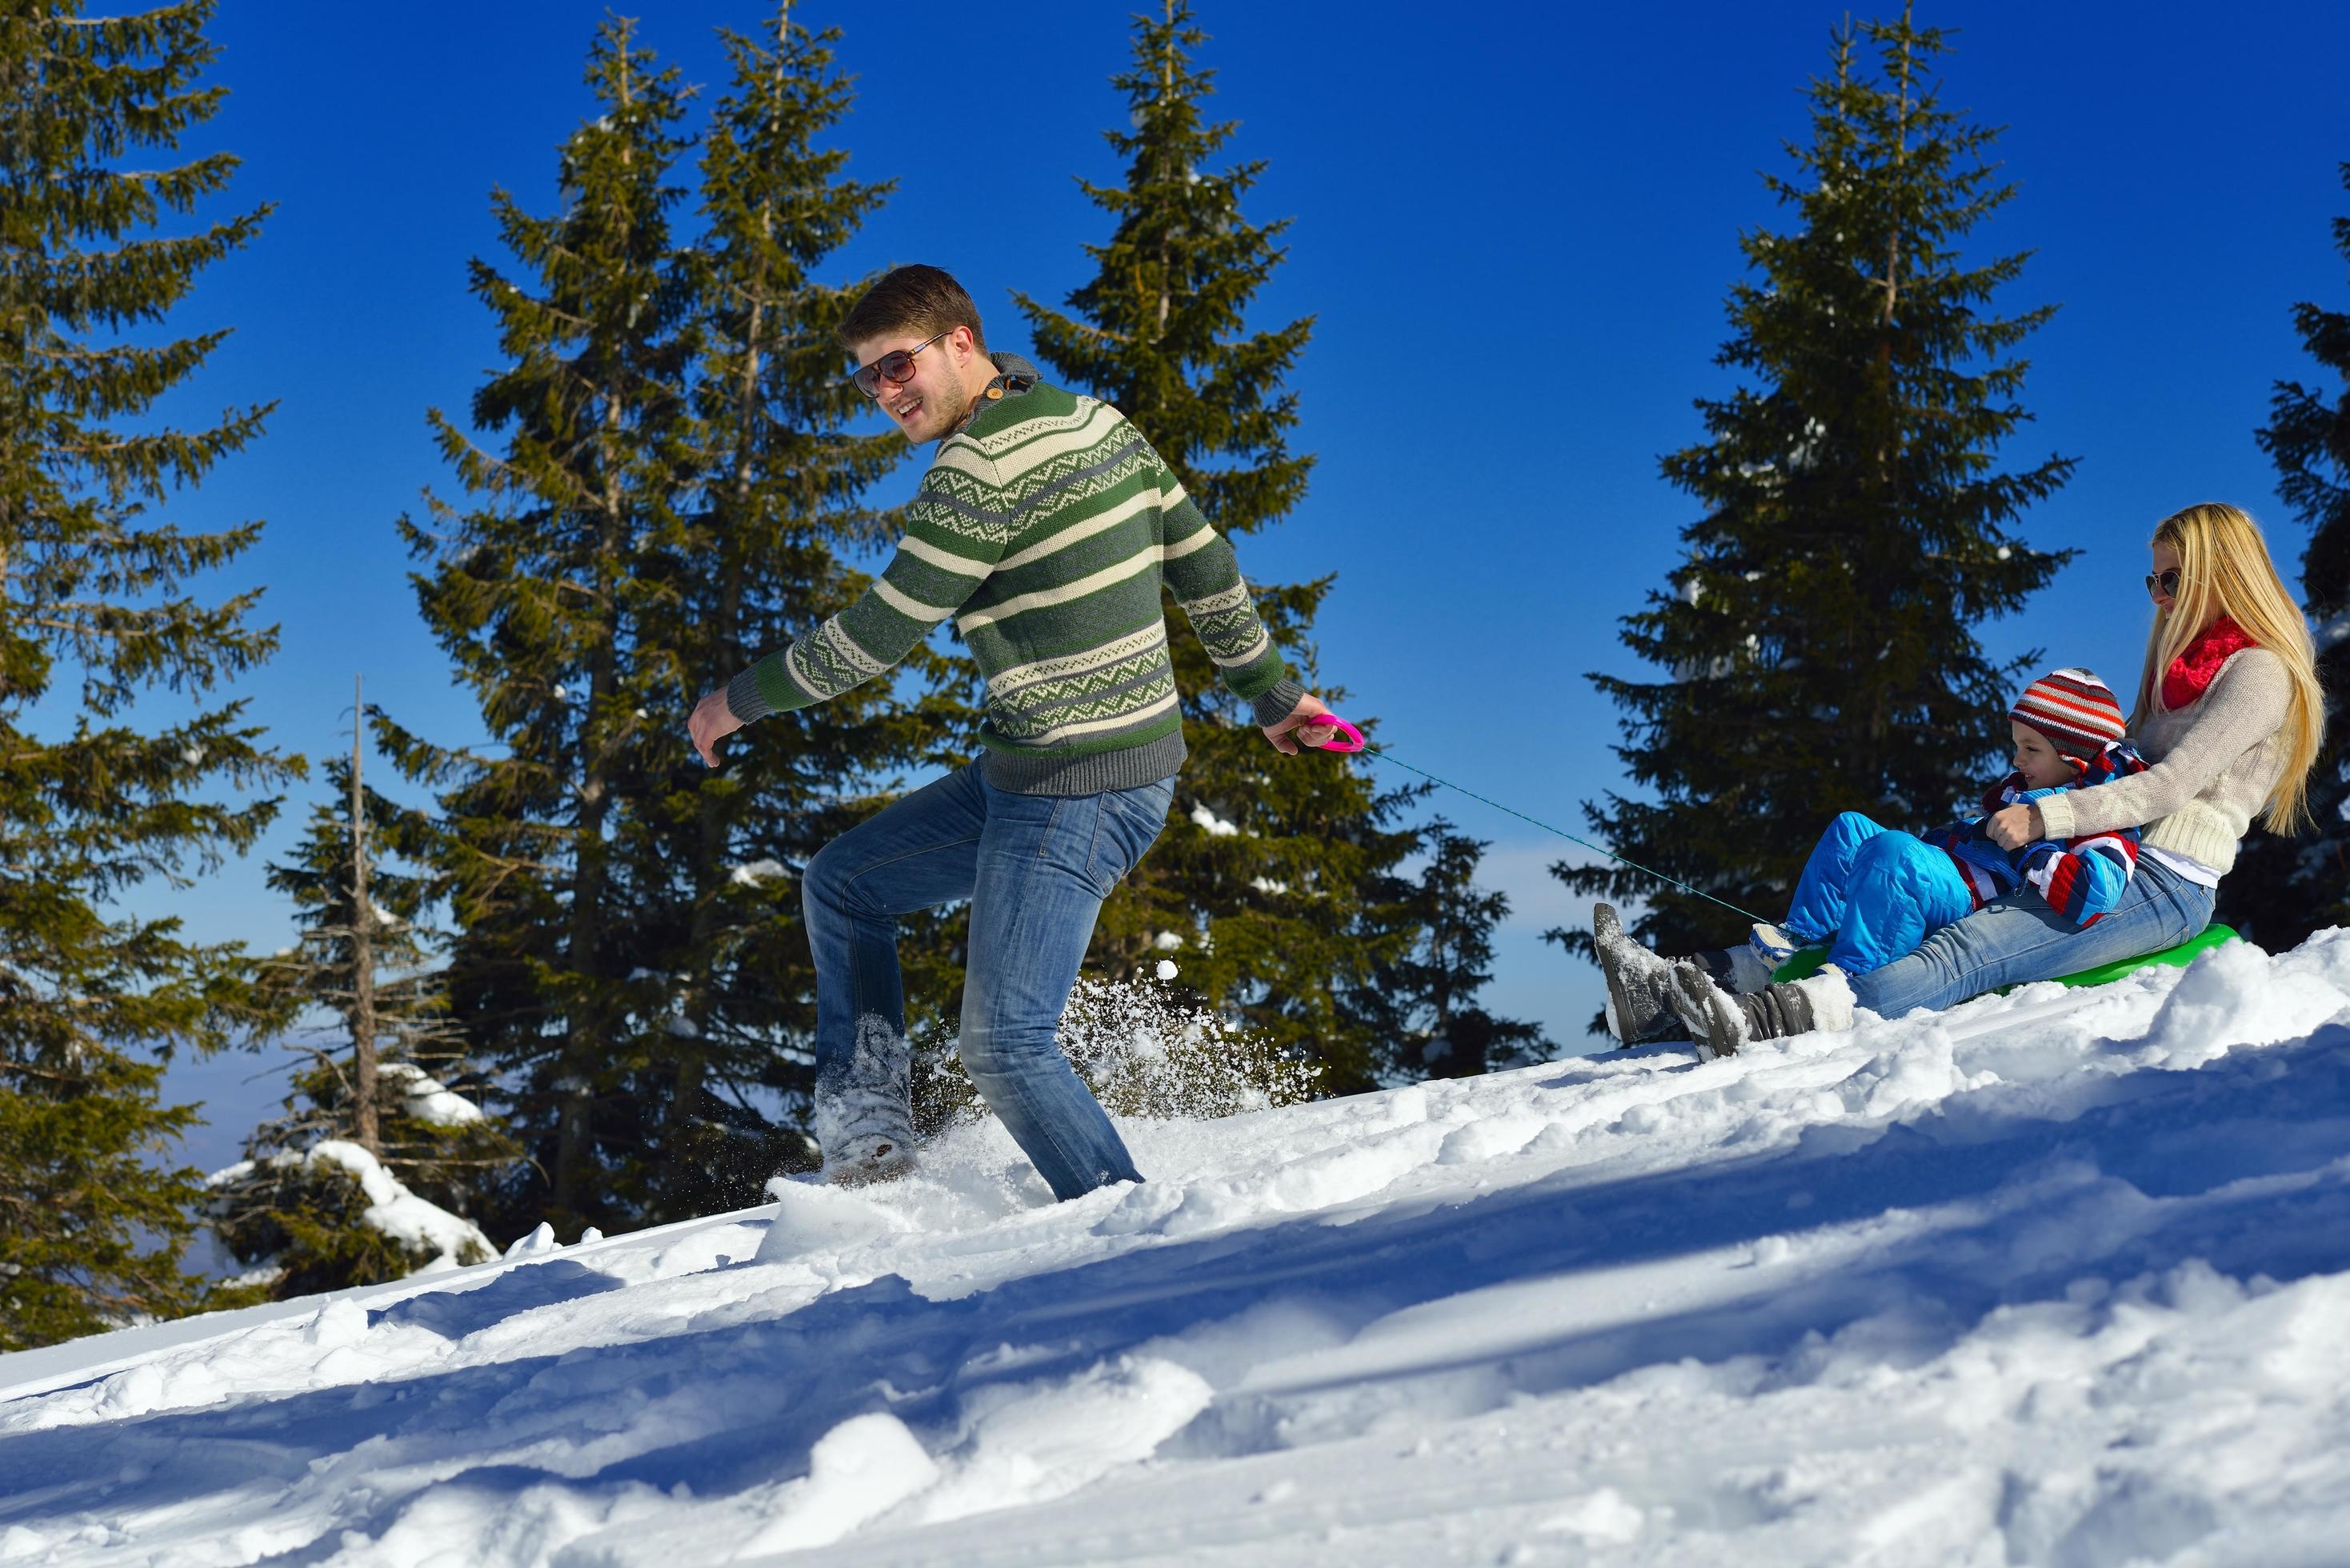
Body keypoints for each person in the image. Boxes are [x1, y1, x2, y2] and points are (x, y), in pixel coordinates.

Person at [685, 264, 1339, 1197]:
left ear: (962, 342)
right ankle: (871, 1141)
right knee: (844, 884)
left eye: (898, 365)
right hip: (1036, 772)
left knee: (1003, 1045)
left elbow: (876, 635)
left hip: (1077, 786)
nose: (885, 394)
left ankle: (1133, 1237)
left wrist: (731, 703)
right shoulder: (1101, 423)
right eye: (868, 378)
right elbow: (1205, 562)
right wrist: (1273, 698)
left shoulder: (975, 472)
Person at [1595, 501, 2324, 1058]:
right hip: (2094, 848)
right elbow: (2112, 766)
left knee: (1964, 951)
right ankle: (1670, 990)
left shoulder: (2257, 672)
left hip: (2159, 884)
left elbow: (2166, 788)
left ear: (2219, 574)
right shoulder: (2175, 672)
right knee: (1886, 872)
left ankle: (1765, 1021)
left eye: (2172, 580)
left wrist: (2044, 819)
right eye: (2153, 581)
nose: (2159, 598)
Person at [1596, 669, 2146, 1050]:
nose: (2015, 759)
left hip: (1977, 902)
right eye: (2016, 745)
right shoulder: (2022, 792)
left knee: (1892, 854)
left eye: (2031, 749)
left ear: (2074, 760)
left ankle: (1844, 976)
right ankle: (1795, 941)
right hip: (1950, 873)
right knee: (1852, 828)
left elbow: (2091, 895)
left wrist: (2027, 843)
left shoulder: (2100, 811)